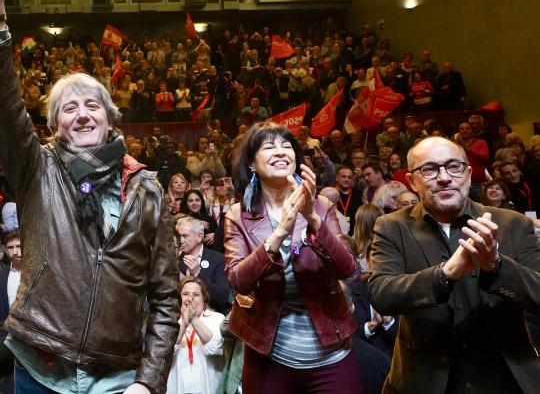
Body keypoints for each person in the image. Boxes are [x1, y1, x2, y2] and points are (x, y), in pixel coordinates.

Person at [0, 0, 178, 394]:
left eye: (92, 106)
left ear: (110, 118)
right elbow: (4, 110)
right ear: (54, 126)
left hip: (119, 376)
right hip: (41, 365)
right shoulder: (38, 167)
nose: (83, 114)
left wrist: (149, 381)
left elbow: (164, 295)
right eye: (70, 108)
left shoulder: (146, 188)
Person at [368, 136, 540, 393]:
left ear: (469, 174)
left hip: (506, 377)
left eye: (454, 166)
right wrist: (444, 274)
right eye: (429, 169)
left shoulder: (513, 224)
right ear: (412, 182)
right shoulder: (392, 227)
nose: (445, 177)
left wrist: (496, 266)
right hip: (426, 378)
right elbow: (381, 294)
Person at [224, 122, 360, 394]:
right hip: (269, 354)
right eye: (269, 146)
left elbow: (347, 269)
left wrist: (312, 219)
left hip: (329, 352)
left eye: (286, 146)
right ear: (251, 164)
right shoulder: (238, 215)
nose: (280, 151)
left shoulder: (321, 205)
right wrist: (277, 235)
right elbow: (238, 280)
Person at [166, 277, 225, 394]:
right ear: (178, 298)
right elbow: (166, 353)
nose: (190, 298)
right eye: (185, 294)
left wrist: (194, 319)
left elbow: (215, 347)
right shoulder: (169, 322)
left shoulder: (216, 318)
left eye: (196, 294)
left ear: (204, 298)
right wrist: (184, 324)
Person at [174, 216, 232, 314]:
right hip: (179, 318)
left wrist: (198, 274)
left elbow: (222, 298)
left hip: (209, 319)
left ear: (199, 236)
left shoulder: (218, 259)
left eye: (185, 236)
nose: (181, 240)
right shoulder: (175, 260)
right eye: (178, 236)